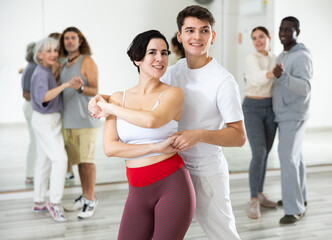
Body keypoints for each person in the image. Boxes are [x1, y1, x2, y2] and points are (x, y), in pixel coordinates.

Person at [89, 5, 245, 240]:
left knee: (223, 235)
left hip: (205, 171)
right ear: (180, 36)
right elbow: (144, 95)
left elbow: (239, 136)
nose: (197, 37)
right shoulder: (173, 71)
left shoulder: (223, 81)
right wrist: (103, 98)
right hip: (171, 164)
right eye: (190, 30)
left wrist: (198, 135)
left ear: (212, 36)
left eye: (204, 31)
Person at [95, 29, 195, 240]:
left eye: (165, 52)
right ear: (137, 58)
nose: (160, 59)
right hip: (137, 190)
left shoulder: (173, 93)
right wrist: (155, 148)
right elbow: (111, 148)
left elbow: (152, 120)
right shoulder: (117, 98)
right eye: (153, 52)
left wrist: (110, 109)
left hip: (173, 186)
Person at [30, 37, 81, 222]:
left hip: (45, 120)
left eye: (55, 51)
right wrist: (66, 85)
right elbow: (44, 97)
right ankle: (55, 203)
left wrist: (58, 73)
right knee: (60, 159)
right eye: (48, 51)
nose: (53, 54)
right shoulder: (41, 73)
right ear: (39, 55)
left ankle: (39, 201)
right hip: (46, 122)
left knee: (44, 161)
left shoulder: (44, 70)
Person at [272, 16, 312, 224]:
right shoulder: (284, 54)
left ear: (297, 31)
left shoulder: (301, 56)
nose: (283, 32)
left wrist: (283, 77)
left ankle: (294, 208)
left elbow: (305, 87)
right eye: (281, 29)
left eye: (288, 29)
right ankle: (299, 199)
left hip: (293, 115)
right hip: (285, 114)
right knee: (296, 159)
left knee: (287, 158)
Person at [59, 27, 101, 219]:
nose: (69, 41)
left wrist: (81, 88)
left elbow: (95, 90)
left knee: (87, 162)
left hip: (85, 120)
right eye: (66, 38)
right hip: (69, 121)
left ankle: (91, 200)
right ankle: (85, 196)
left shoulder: (87, 61)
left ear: (80, 41)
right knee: (79, 164)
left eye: (72, 38)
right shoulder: (64, 63)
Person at [243, 26, 278, 219]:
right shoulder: (251, 58)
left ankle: (260, 193)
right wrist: (274, 73)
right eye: (254, 38)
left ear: (268, 38)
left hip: (271, 108)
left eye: (261, 36)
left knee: (265, 153)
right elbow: (256, 79)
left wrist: (276, 71)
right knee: (259, 152)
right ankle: (253, 199)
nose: (258, 40)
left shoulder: (275, 58)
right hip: (252, 107)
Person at [48, 32, 75, 183]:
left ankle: (68, 170)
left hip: (67, 106)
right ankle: (60, 169)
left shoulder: (66, 61)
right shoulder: (52, 62)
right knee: (58, 141)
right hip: (55, 106)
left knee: (65, 141)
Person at [21, 42, 37, 185]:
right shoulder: (32, 68)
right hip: (31, 107)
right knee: (35, 142)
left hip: (31, 107)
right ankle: (30, 175)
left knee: (35, 142)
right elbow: (26, 94)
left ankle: (32, 174)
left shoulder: (31, 67)